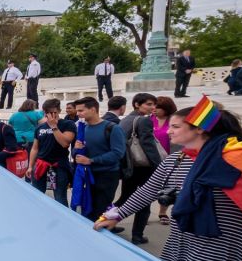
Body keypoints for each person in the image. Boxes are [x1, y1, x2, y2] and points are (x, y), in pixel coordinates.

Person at [96, 103, 242, 261]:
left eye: (175, 126)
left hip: (224, 244)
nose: (168, 131)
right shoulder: (176, 160)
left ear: (198, 129)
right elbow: (148, 191)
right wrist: (116, 215)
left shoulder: (236, 159)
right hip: (185, 239)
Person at [118, 93, 163, 245]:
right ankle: (137, 235)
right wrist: (159, 167)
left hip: (130, 166)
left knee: (124, 198)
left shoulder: (125, 120)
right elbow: (149, 146)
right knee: (145, 202)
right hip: (144, 167)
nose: (152, 107)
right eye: (149, 104)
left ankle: (105, 219)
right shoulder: (144, 120)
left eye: (153, 105)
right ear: (137, 104)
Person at [73, 97, 126, 222]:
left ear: (93, 109)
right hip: (88, 175)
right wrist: (76, 150)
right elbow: (80, 154)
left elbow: (118, 153)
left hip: (107, 175)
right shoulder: (83, 128)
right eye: (77, 111)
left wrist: (91, 160)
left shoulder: (112, 128)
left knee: (100, 211)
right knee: (89, 209)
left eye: (81, 110)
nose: (78, 114)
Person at [28, 99, 76, 206]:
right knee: (37, 194)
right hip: (41, 163)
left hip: (59, 164)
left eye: (54, 112)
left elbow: (65, 143)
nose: (52, 115)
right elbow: (35, 148)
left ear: (59, 111)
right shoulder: (40, 127)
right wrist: (30, 166)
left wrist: (54, 126)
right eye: (48, 113)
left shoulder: (68, 124)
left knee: (60, 197)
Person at [152, 96, 179, 224]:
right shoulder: (149, 120)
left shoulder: (173, 121)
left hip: (169, 157)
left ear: (167, 109)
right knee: (149, 186)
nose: (154, 109)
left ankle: (162, 212)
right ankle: (143, 212)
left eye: (158, 107)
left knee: (168, 185)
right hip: (152, 159)